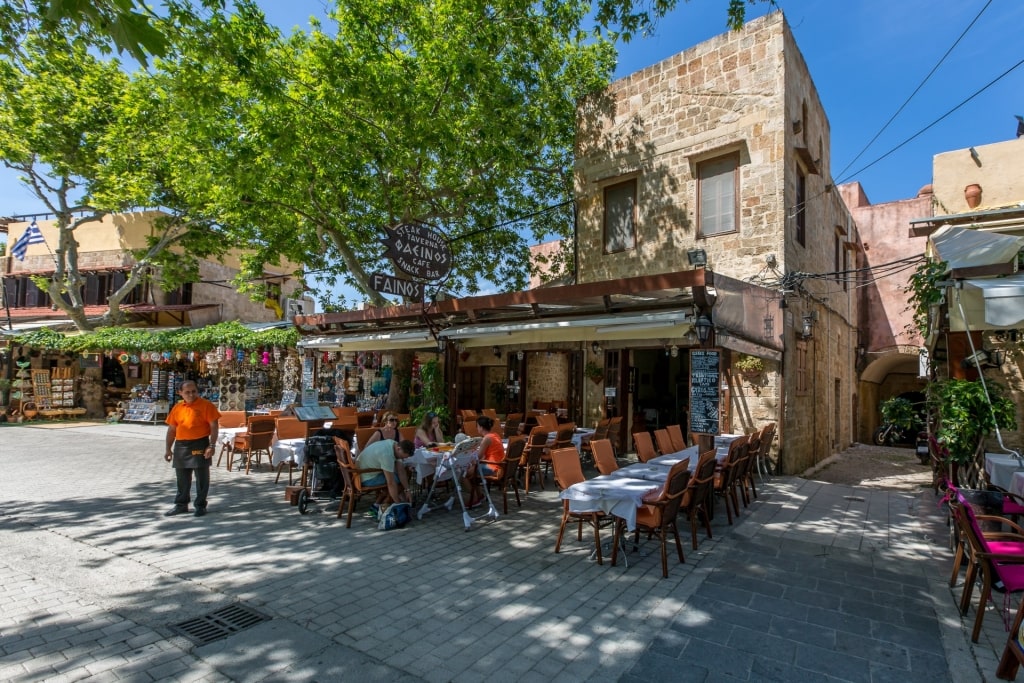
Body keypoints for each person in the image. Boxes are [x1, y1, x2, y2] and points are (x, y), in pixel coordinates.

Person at [164, 380, 220, 517]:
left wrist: (211, 445)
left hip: (200, 444)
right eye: (187, 392)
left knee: (202, 478)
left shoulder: (206, 405)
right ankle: (181, 505)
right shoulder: (177, 408)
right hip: (181, 445)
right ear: (180, 393)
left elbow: (214, 426)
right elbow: (172, 430)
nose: (191, 395)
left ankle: (200, 506)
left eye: (194, 391)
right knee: (182, 478)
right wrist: (168, 449)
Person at [357, 438, 415, 505]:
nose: (403, 459)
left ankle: (381, 503)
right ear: (399, 449)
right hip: (365, 478)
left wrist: (407, 490)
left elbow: (401, 471)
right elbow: (391, 482)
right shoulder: (386, 455)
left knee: (402, 478)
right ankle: (393, 503)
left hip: (367, 472)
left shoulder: (394, 444)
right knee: (397, 481)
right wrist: (398, 504)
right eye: (402, 457)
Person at [465, 415, 504, 508]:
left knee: (464, 474)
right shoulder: (495, 435)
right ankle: (480, 496)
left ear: (481, 427)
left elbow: (478, 456)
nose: (477, 428)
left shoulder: (486, 439)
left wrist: (470, 461)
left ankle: (474, 499)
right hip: (499, 466)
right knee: (471, 471)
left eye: (477, 426)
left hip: (492, 467)